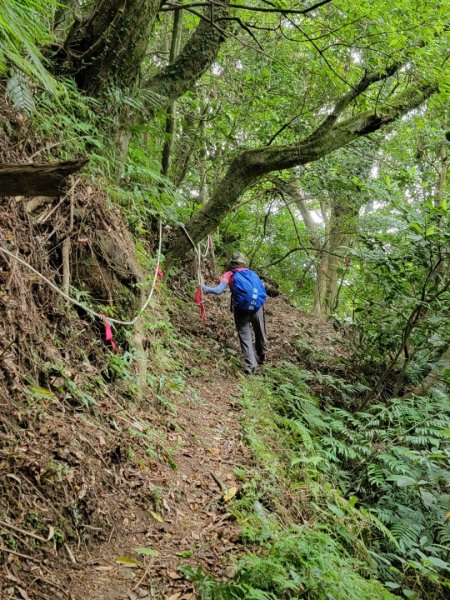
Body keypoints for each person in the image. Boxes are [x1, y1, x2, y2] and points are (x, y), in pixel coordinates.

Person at [202, 252, 267, 374]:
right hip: (257, 307)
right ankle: (262, 355)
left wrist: (204, 288)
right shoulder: (253, 274)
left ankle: (251, 366)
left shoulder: (229, 274)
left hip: (240, 309)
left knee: (245, 336)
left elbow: (218, 290)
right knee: (260, 332)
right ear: (243, 262)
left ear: (231, 263)